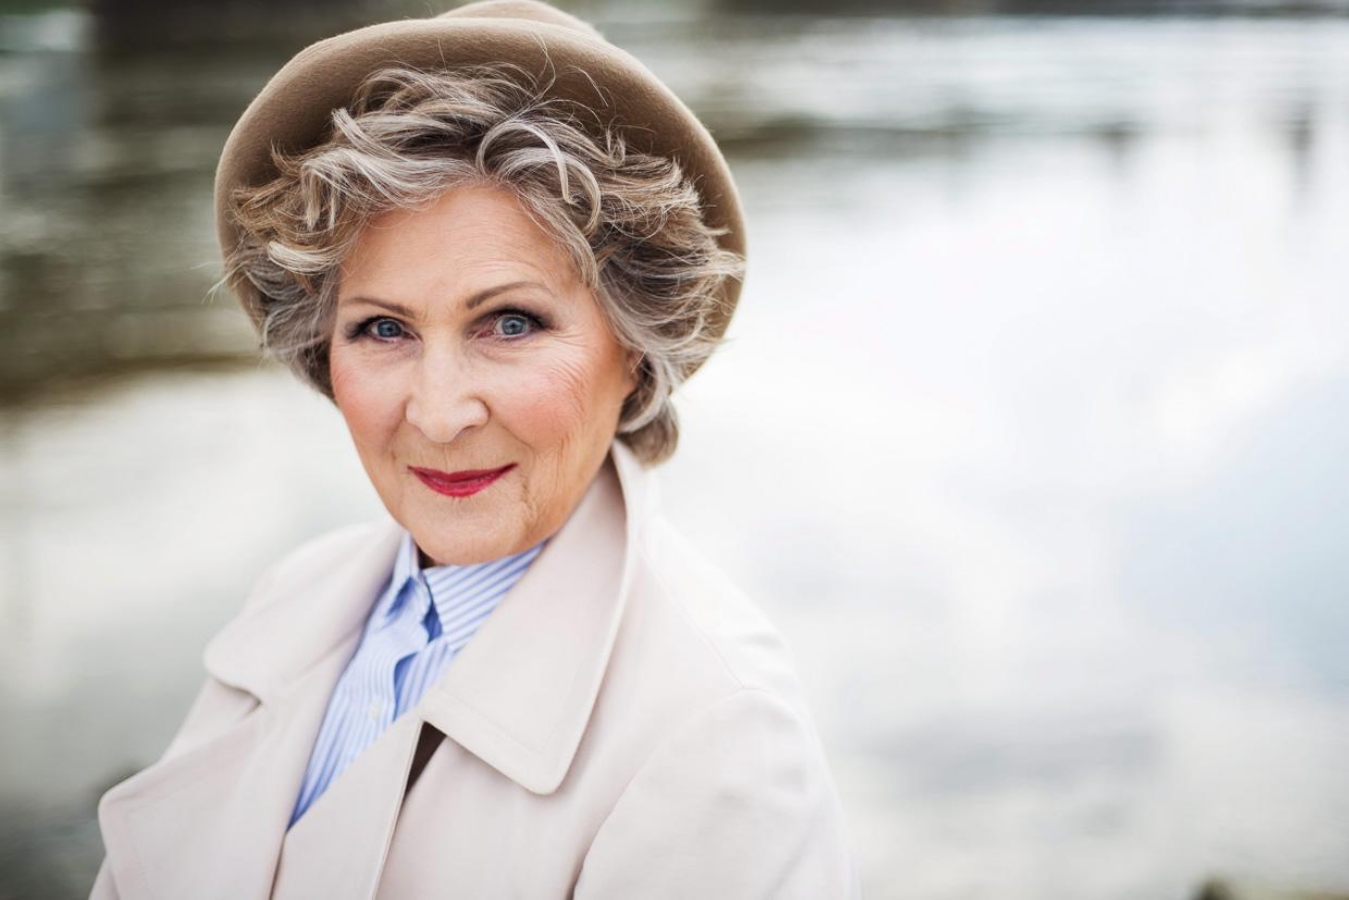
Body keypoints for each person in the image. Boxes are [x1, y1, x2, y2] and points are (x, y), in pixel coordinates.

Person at [89, 1, 859, 896]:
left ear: (635, 350)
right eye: (382, 329)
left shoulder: (720, 730)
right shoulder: (298, 591)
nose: (439, 413)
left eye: (510, 322)